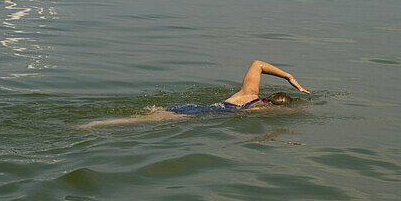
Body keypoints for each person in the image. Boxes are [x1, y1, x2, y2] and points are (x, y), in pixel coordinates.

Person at [80, 60, 309, 127]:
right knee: (133, 121)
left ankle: (96, 123)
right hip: (198, 116)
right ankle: (94, 125)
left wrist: (289, 77)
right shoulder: (259, 109)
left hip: (196, 107)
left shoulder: (249, 93)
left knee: (143, 114)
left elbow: (258, 64)